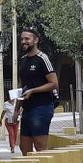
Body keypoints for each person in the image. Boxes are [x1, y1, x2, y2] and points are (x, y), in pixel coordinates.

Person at [16, 27, 60, 155]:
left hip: (42, 107)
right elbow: (22, 85)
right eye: (22, 39)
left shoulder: (42, 58)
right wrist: (16, 109)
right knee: (24, 147)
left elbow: (54, 83)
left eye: (27, 39)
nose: (24, 41)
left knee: (40, 147)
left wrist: (33, 91)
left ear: (36, 40)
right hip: (27, 109)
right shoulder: (23, 60)